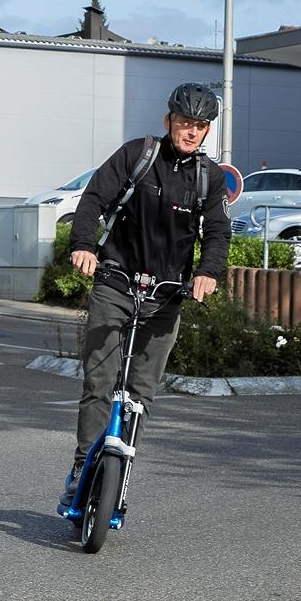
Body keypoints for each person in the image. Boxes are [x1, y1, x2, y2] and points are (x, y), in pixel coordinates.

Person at [59, 82, 231, 506]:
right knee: (99, 382)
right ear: (168, 120)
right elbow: (93, 199)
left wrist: (208, 273)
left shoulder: (209, 178)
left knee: (140, 393)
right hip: (116, 283)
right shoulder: (138, 155)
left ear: (207, 131)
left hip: (166, 295)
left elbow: (218, 233)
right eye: (185, 122)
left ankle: (120, 472)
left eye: (200, 126)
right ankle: (84, 463)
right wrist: (83, 245)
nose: (191, 132)